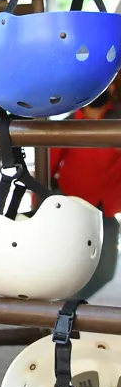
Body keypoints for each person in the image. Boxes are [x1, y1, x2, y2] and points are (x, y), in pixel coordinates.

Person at [50, 75, 121, 301]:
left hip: (105, 210)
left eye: (107, 85)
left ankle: (64, 305)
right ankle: (61, 311)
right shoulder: (69, 124)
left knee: (106, 271)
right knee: (68, 265)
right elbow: (48, 166)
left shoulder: (117, 120)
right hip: (71, 209)